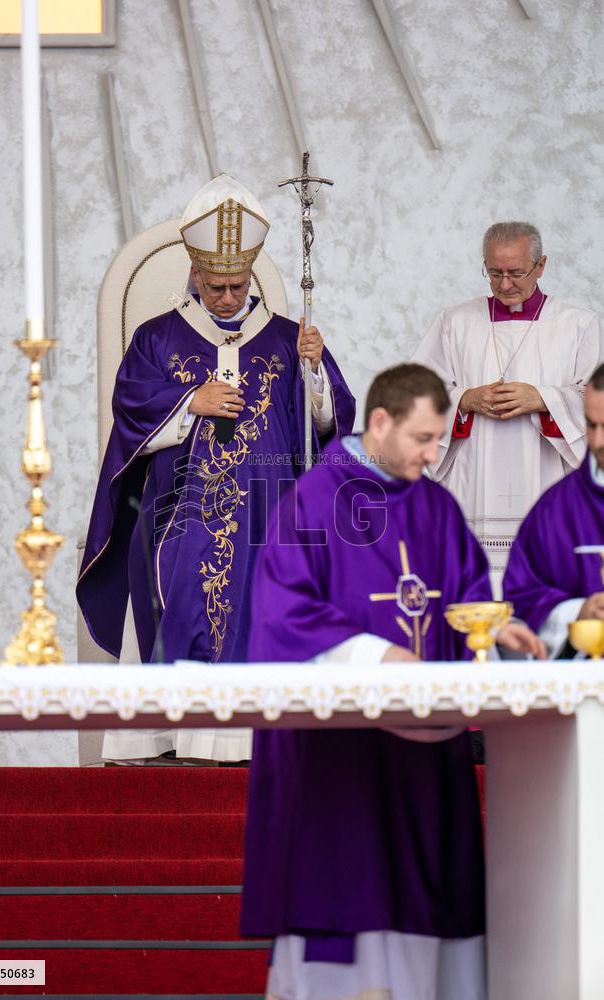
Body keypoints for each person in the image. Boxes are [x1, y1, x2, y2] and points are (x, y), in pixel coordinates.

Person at [240, 364, 544, 1000]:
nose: (436, 454)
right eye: (424, 439)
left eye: (439, 440)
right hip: (338, 758)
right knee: (347, 871)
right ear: (380, 423)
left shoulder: (434, 503)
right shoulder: (313, 500)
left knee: (428, 884)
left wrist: (496, 630)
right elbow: (282, 613)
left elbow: (461, 600)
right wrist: (379, 658)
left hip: (424, 753)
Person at [77, 174, 355, 762]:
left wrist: (314, 372)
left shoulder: (287, 338)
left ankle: (253, 736)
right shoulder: (156, 338)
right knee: (180, 609)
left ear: (249, 276)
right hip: (181, 513)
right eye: (216, 286)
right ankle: (177, 735)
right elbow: (127, 407)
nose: (227, 296)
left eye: (236, 285)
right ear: (195, 276)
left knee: (262, 612)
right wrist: (189, 402)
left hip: (268, 514)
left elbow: (328, 425)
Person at [413, 221, 602, 580]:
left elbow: (597, 403)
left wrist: (544, 399)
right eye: (494, 272)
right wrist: (465, 400)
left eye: (516, 273)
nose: (504, 284)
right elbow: (415, 395)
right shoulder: (455, 322)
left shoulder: (578, 324)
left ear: (540, 265)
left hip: (547, 475)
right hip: (474, 480)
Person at [504, 364, 604, 658]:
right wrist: (579, 612)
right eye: (591, 425)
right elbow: (521, 597)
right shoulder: (555, 510)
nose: (597, 442)